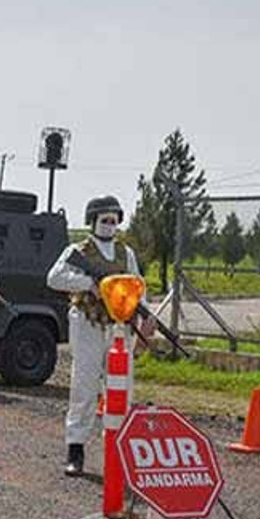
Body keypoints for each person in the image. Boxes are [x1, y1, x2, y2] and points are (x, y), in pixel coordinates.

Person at [47, 195, 150, 477]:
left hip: (118, 326)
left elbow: (137, 284)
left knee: (121, 387)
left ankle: (118, 450)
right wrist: (89, 284)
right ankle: (76, 447)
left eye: (114, 220)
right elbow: (54, 278)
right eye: (104, 220)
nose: (109, 225)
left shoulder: (124, 253)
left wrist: (145, 314)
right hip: (88, 323)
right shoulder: (77, 250)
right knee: (84, 385)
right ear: (92, 221)